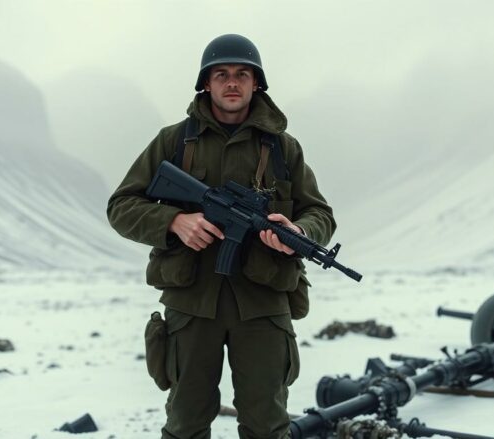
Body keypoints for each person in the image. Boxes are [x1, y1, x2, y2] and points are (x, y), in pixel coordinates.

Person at [107, 34, 336, 439]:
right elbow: (121, 206)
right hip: (192, 303)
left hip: (264, 303)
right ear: (206, 83)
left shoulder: (283, 149)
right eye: (222, 74)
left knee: (267, 426)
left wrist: (299, 231)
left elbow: (319, 212)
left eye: (242, 74)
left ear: (256, 83)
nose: (232, 82)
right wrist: (174, 222)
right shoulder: (174, 141)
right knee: (186, 424)